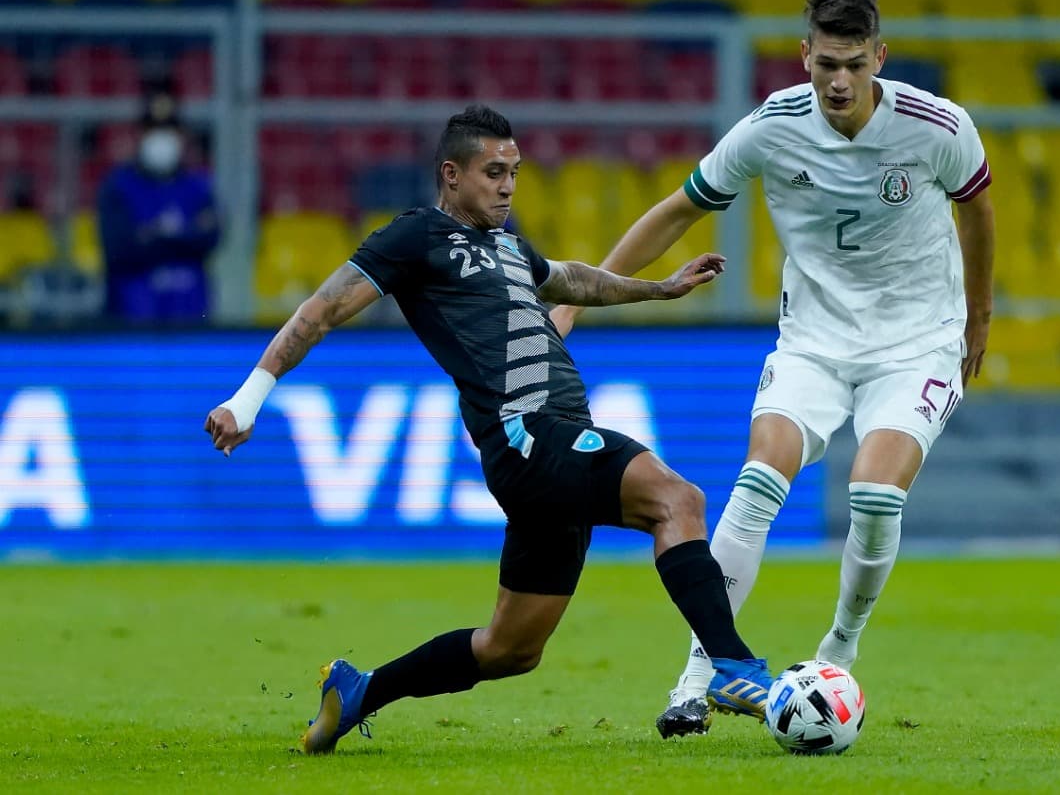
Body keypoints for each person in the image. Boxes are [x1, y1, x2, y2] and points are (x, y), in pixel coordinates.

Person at [203, 105, 772, 754]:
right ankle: (732, 664)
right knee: (678, 499)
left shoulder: (509, 246)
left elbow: (572, 279)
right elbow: (322, 310)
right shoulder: (416, 236)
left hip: (548, 447)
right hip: (528, 435)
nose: (508, 187)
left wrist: (657, 289)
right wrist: (247, 399)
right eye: (493, 173)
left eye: (515, 173)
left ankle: (360, 690)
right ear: (452, 175)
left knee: (510, 649)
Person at [552, 0, 997, 739]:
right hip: (813, 342)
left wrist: (979, 317)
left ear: (880, 58)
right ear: (804, 56)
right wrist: (575, 301)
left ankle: (838, 651)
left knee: (874, 496)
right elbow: (678, 209)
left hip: (917, 341)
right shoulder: (772, 127)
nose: (839, 82)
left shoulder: (938, 126)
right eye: (826, 64)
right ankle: (700, 678)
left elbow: (978, 208)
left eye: (854, 64)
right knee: (759, 478)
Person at [97, 90, 220, 324]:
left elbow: (211, 237)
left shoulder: (199, 187)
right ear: (139, 134)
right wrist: (184, 235)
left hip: (191, 319)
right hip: (131, 320)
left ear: (182, 135)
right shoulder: (118, 187)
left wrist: (152, 235)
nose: (162, 138)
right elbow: (120, 248)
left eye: (169, 129)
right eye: (153, 129)